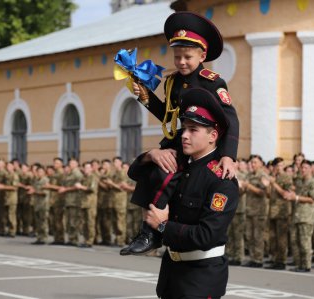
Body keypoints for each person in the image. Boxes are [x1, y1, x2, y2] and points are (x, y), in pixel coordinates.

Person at [122, 11, 240, 255]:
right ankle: (147, 230)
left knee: (167, 171)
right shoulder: (172, 82)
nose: (182, 62)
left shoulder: (213, 82)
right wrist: (144, 96)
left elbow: (231, 119)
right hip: (180, 137)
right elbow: (168, 115)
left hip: (201, 140)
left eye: (188, 57)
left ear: (202, 55)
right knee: (151, 168)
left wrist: (229, 156)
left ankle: (152, 231)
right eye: (177, 57)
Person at [129, 87, 238, 298]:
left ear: (213, 136)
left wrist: (162, 225)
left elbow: (206, 235)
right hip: (171, 272)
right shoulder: (180, 165)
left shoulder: (221, 179)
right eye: (184, 128)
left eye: (193, 130)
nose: (184, 136)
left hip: (202, 277)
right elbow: (136, 173)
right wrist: (150, 155)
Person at [286, 159, 314, 272]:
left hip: (307, 216)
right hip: (297, 215)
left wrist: (296, 198)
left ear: (311, 169)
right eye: (302, 168)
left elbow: (313, 199)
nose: (303, 170)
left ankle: (306, 265)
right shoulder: (300, 182)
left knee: (305, 242)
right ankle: (299, 264)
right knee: (296, 241)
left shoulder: (313, 183)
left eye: (306, 168)